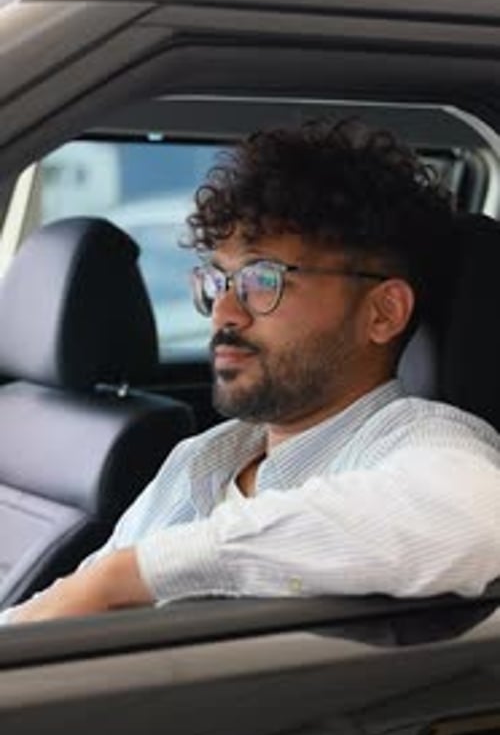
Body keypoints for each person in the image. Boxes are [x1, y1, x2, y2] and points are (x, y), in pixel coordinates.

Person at [8, 118, 500, 624]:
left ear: (383, 312)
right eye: (218, 280)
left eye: (261, 279)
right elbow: (59, 617)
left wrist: (125, 577)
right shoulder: (199, 460)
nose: (224, 311)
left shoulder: (425, 442)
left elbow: (476, 517)